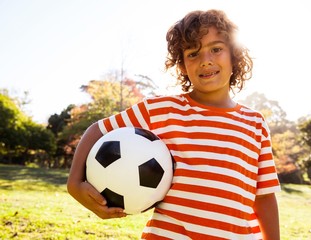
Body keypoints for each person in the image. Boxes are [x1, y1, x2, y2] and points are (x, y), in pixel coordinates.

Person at [67, 9, 281, 240]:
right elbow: (97, 129)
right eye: (193, 54)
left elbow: (265, 197)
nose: (205, 60)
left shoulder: (255, 123)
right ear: (181, 65)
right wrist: (75, 183)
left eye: (216, 49)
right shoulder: (159, 110)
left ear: (235, 55)